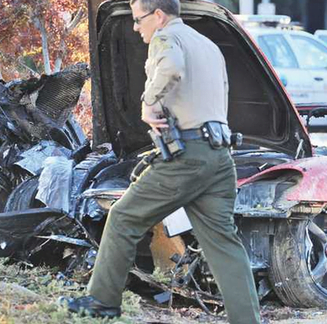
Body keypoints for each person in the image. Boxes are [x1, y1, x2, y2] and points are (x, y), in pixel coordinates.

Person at [64, 0, 261, 323]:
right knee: (224, 244)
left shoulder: (165, 38)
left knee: (123, 218)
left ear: (158, 15)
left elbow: (171, 67)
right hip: (220, 157)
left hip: (188, 157)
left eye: (139, 19)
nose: (134, 27)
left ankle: (102, 302)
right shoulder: (209, 46)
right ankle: (248, 319)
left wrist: (149, 103)